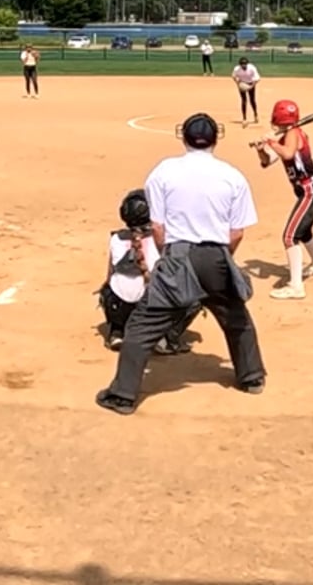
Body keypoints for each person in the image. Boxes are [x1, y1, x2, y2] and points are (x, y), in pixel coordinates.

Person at [97, 113, 266, 416]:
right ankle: (251, 377)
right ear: (215, 139)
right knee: (235, 317)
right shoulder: (233, 176)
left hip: (177, 252)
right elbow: (237, 232)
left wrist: (170, 258)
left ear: (184, 137)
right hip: (216, 254)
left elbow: (157, 227)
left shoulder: (164, 171)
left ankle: (122, 395)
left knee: (143, 325)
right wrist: (221, 257)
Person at [96, 188, 195, 354]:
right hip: (150, 304)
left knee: (109, 289)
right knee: (194, 294)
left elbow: (109, 276)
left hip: (121, 304)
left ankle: (117, 332)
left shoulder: (116, 238)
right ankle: (166, 339)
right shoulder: (163, 238)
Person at [254, 100, 313, 300]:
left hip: (311, 190)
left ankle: (296, 286)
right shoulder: (287, 135)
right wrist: (261, 149)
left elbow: (287, 153)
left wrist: (271, 142)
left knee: (290, 237)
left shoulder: (293, 133)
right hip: (309, 191)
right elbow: (267, 162)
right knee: (304, 231)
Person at [232, 56, 261, 127]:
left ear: (247, 64)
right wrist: (238, 84)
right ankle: (244, 118)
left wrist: (251, 87)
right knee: (244, 100)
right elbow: (234, 76)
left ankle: (255, 114)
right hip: (242, 83)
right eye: (242, 64)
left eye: (245, 64)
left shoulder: (252, 68)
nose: (243, 65)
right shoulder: (237, 69)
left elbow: (257, 79)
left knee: (252, 100)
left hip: (251, 83)